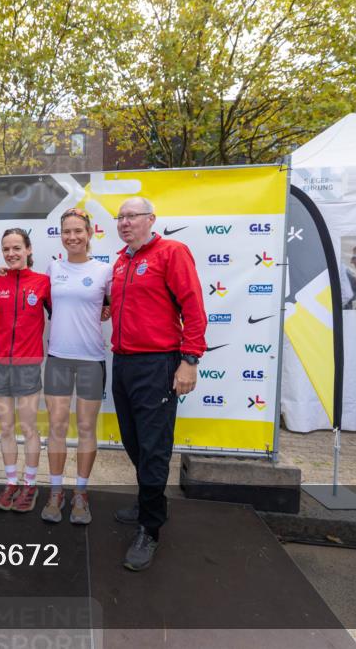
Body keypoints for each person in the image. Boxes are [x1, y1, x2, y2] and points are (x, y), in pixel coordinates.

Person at [110, 196, 206, 571]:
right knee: (133, 440)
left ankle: (150, 528)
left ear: (151, 219)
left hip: (157, 365)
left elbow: (194, 308)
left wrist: (189, 361)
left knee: (154, 447)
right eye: (120, 217)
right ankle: (147, 499)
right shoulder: (121, 261)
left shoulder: (172, 252)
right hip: (123, 363)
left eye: (132, 216)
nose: (124, 222)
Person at [41, 208, 112, 524]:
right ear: (61, 235)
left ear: (90, 233)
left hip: (91, 360)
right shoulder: (53, 267)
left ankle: (80, 494)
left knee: (85, 428)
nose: (72, 237)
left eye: (78, 231)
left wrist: (105, 310)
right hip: (57, 358)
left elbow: (110, 304)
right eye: (66, 232)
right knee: (56, 426)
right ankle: (55, 491)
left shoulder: (104, 271)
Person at [0, 228, 51, 514]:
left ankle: (30, 484)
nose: (11, 253)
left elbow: (63, 315)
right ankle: (11, 482)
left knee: (28, 428)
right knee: (5, 427)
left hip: (27, 365)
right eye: (6, 249)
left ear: (28, 249)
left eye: (16, 248)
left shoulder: (43, 283)